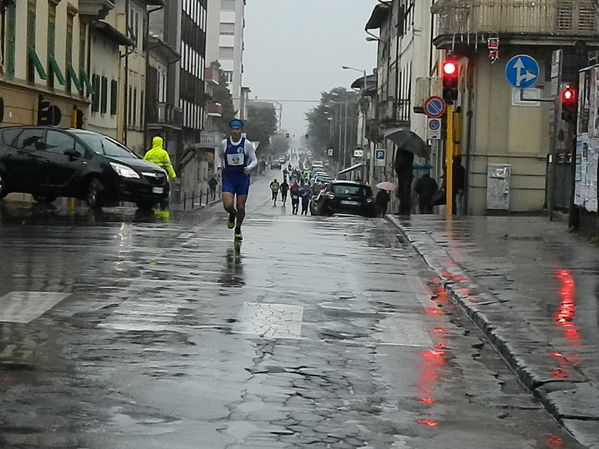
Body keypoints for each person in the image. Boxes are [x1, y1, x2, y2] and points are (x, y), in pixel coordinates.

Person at [216, 119, 258, 242]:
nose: (235, 131)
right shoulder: (224, 143)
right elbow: (220, 157)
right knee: (228, 205)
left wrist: (249, 167)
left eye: (237, 129)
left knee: (241, 206)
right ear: (231, 130)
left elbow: (255, 160)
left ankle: (238, 228)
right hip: (228, 177)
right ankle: (231, 214)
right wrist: (219, 168)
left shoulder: (247, 144)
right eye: (233, 129)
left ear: (241, 130)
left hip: (242, 178)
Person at [144, 136, 177, 209]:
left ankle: (152, 204)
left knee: (151, 191)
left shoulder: (149, 153)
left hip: (151, 176)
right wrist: (173, 174)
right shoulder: (164, 153)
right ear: (161, 143)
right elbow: (168, 165)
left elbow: (143, 164)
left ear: (153, 142)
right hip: (162, 176)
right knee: (165, 192)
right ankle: (163, 206)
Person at [394, 148, 414, 215]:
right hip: (407, 173)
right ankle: (405, 209)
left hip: (403, 173)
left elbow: (400, 161)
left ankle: (403, 209)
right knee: (405, 191)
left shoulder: (402, 149)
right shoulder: (411, 150)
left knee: (403, 191)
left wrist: (397, 167)